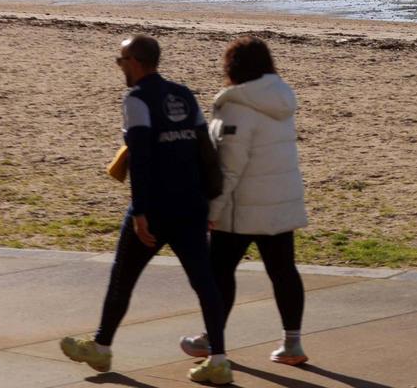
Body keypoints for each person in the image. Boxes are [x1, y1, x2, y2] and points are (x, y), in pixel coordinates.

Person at [61, 35, 232, 385]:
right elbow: (205, 149)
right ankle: (219, 359)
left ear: (136, 61)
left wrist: (140, 210)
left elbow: (141, 156)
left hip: (155, 210)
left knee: (123, 277)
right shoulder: (183, 94)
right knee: (205, 282)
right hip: (191, 205)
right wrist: (209, 198)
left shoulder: (137, 98)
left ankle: (102, 347)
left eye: (121, 60)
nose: (119, 65)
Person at [179, 37, 310, 367]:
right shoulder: (279, 99)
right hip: (280, 199)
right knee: (283, 271)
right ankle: (292, 342)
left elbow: (230, 167)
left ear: (232, 67)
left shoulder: (236, 105)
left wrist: (213, 210)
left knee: (218, 272)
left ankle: (212, 340)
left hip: (242, 207)